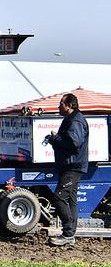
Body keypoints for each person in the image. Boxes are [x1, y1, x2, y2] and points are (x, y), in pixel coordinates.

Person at [46, 93, 89, 246]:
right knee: (70, 198)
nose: (59, 107)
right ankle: (70, 234)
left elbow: (74, 142)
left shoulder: (75, 121)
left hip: (72, 166)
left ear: (69, 106)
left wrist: (55, 139)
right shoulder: (72, 119)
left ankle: (68, 233)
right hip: (73, 165)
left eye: (61, 104)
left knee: (59, 197)